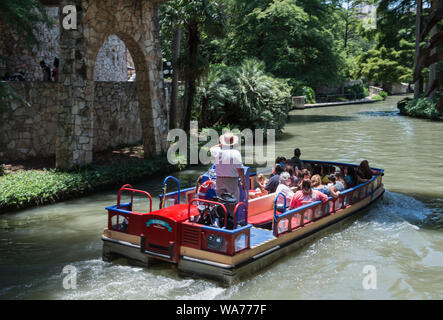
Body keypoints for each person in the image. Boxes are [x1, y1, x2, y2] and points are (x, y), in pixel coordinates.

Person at [210, 132, 247, 202]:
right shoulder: (236, 153)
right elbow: (240, 169)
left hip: (219, 180)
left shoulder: (217, 151)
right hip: (231, 181)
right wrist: (243, 181)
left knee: (221, 200)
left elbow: (212, 148)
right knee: (232, 201)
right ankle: (231, 213)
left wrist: (221, 145)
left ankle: (221, 212)